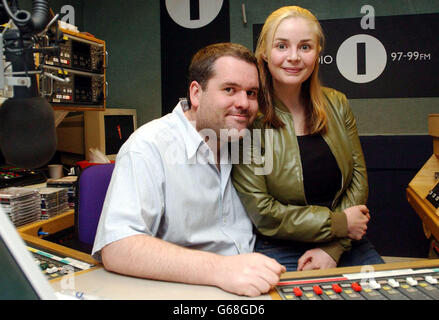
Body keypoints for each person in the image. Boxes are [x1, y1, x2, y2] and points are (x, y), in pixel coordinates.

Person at [92, 42, 286, 297]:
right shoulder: (148, 146)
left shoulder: (240, 140)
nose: (244, 103)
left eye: (251, 93)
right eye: (230, 89)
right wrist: (222, 269)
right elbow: (118, 247)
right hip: (185, 290)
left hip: (252, 279)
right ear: (196, 94)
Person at [232, 6, 384, 272]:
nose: (293, 57)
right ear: (264, 53)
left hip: (345, 242)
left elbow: (358, 180)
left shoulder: (337, 103)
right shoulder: (248, 114)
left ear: (317, 53)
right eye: (281, 46)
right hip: (281, 247)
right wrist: (338, 223)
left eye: (305, 47)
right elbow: (263, 212)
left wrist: (334, 247)